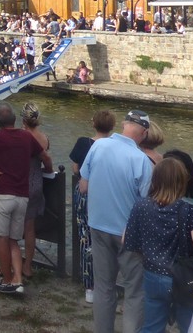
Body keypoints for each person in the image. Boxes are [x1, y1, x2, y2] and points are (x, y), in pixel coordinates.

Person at [79, 110, 154, 333]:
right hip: (128, 233)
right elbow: (146, 203)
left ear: (123, 125)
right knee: (134, 290)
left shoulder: (98, 146)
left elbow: (83, 185)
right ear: (144, 133)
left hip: (98, 225)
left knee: (103, 287)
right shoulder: (141, 160)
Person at [0, 102, 52, 295]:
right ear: (15, 120)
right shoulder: (26, 138)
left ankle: (6, 280)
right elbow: (45, 158)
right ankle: (18, 280)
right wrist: (48, 171)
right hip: (22, 196)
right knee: (14, 240)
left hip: (2, 194)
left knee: (1, 239)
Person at [124, 158, 193, 333]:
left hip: (152, 274)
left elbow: (127, 241)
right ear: (181, 182)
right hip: (183, 278)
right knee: (188, 326)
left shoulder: (140, 206)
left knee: (151, 326)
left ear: (155, 180)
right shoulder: (188, 211)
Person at [69, 110, 116, 304]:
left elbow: (75, 168)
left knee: (86, 239)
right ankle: (109, 284)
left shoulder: (83, 142)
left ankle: (89, 286)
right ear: (112, 127)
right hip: (107, 195)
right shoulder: (114, 147)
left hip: (85, 193)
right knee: (108, 241)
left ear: (93, 124)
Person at [19, 102, 50, 279]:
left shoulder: (19, 135)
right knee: (30, 228)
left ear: (23, 118)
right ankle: (27, 266)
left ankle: (7, 263)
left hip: (19, 182)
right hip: (36, 183)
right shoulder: (43, 137)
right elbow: (46, 161)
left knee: (12, 226)